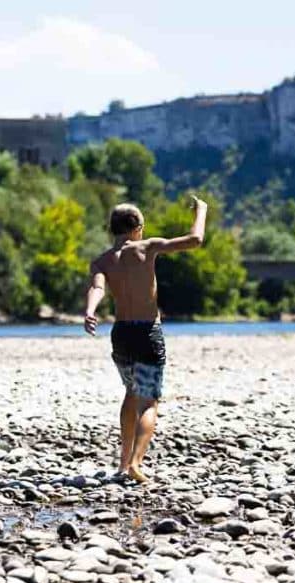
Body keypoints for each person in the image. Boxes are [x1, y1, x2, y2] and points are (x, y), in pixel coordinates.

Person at [83, 196, 208, 483]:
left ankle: (123, 462)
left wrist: (90, 311)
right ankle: (137, 463)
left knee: (130, 392)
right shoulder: (147, 247)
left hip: (121, 334)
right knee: (148, 401)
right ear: (138, 227)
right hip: (147, 333)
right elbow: (195, 239)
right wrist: (201, 210)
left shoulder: (102, 261)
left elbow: (97, 288)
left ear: (111, 229)